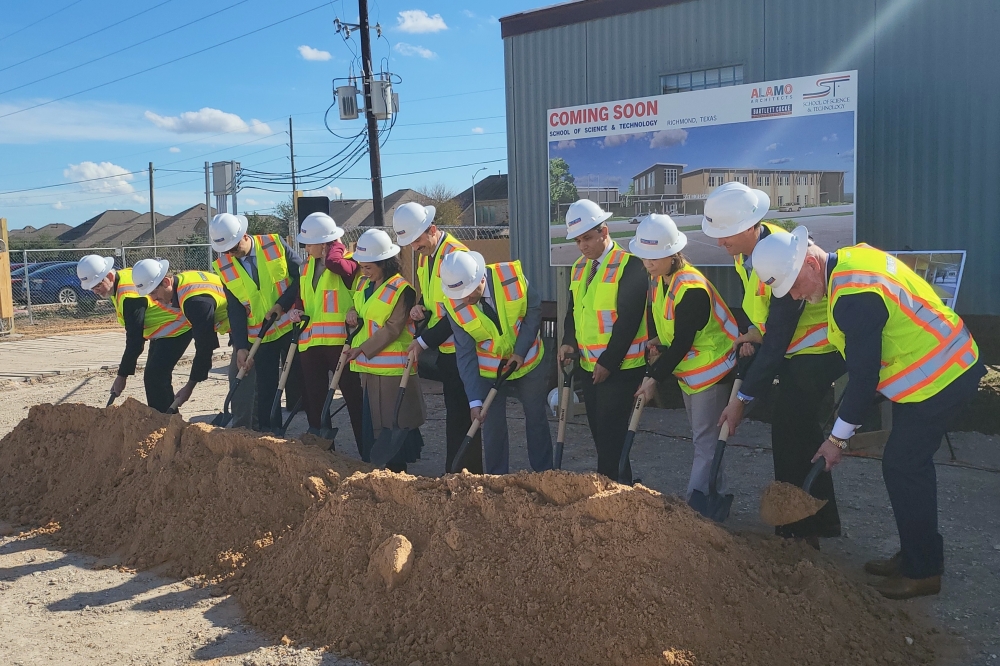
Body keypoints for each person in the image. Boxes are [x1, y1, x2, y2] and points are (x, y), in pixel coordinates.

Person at [752, 227, 985, 599]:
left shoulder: (852, 298)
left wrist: (835, 441)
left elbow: (863, 379)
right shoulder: (851, 259)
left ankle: (923, 571)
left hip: (944, 374)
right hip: (935, 370)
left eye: (794, 286)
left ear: (810, 261)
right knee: (904, 465)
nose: (795, 296)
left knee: (904, 465)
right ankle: (915, 554)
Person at [705, 183, 845, 545]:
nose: (720, 243)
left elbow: (781, 334)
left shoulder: (784, 255)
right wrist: (754, 330)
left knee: (790, 428)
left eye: (726, 234)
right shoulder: (745, 253)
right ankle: (816, 521)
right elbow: (764, 316)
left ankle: (801, 526)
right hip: (790, 350)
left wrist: (742, 401)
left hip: (816, 352)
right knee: (798, 431)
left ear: (752, 226)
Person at [630, 215, 738, 500]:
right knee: (704, 440)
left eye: (655, 256)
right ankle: (716, 494)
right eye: (644, 256)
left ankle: (696, 506)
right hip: (691, 370)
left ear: (672, 252)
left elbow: (683, 341)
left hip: (711, 370)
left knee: (705, 441)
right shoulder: (661, 280)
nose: (648, 263)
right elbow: (674, 331)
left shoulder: (691, 288)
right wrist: (657, 341)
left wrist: (653, 379)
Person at [557, 199, 648, 482]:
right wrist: (568, 341)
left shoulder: (630, 266)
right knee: (600, 433)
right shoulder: (579, 268)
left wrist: (608, 361)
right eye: (578, 240)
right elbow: (574, 311)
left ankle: (618, 490)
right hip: (587, 365)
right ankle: (614, 487)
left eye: (588, 238)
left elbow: (629, 320)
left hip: (620, 368)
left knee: (612, 435)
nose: (583, 246)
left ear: (604, 232)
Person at [439, 250, 552, 474]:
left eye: (469, 293)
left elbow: (533, 310)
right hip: (488, 371)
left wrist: (519, 352)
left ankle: (545, 475)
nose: (465, 299)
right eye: (459, 294)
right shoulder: (454, 304)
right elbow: (465, 353)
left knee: (536, 417)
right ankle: (497, 480)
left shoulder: (510, 276)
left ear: (481, 277)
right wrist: (474, 401)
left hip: (528, 363)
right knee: (491, 426)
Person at [393, 202, 482, 473]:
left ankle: (465, 473)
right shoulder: (427, 256)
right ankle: (455, 470)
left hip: (463, 348)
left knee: (463, 417)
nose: (414, 247)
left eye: (417, 240)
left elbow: (457, 312)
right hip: (445, 349)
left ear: (432, 229)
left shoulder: (457, 256)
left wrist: (422, 342)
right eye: (409, 243)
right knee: (454, 414)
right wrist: (420, 307)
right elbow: (435, 299)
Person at [342, 229, 425, 472]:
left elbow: (393, 328)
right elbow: (359, 308)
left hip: (392, 367)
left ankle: (398, 469)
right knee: (376, 420)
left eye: (369, 267)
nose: (364, 271)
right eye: (362, 266)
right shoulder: (363, 283)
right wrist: (350, 312)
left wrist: (362, 349)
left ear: (385, 263)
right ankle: (382, 466)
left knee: (395, 420)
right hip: (369, 367)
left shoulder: (402, 289)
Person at [209, 212, 302, 431]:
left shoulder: (274, 244)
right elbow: (235, 308)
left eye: (233, 248)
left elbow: (302, 278)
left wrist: (283, 303)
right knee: (266, 389)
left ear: (244, 234)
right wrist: (241, 345)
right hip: (261, 335)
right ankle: (271, 435)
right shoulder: (224, 266)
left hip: (291, 325)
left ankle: (312, 432)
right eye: (225, 251)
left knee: (300, 383)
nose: (230, 254)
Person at [286, 212, 364, 450]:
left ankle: (366, 447)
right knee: (315, 399)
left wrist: (336, 247)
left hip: (341, 343)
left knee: (353, 398)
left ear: (324, 243)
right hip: (310, 343)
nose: (306, 247)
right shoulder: (307, 266)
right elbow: (303, 298)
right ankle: (324, 450)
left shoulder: (348, 261)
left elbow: (335, 264)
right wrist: (296, 311)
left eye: (309, 243)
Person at [76, 254, 192, 412]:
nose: (95, 291)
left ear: (109, 275)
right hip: (162, 331)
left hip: (176, 327)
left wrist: (122, 375)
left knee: (155, 377)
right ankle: (166, 418)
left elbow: (135, 340)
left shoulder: (130, 297)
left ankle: (165, 423)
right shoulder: (121, 280)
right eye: (92, 288)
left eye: (97, 285)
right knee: (155, 376)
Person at [132, 258, 230, 411]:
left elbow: (205, 347)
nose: (153, 299)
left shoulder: (194, 302)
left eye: (153, 292)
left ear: (166, 282)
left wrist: (189, 386)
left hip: (248, 322)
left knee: (246, 383)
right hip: (237, 322)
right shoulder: (184, 281)